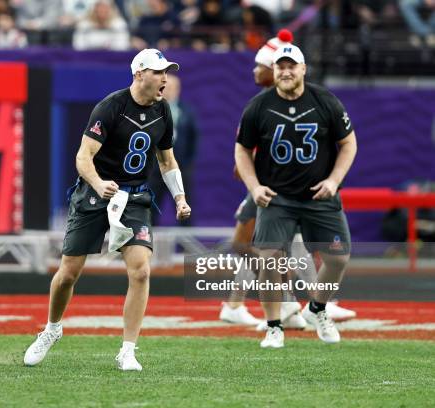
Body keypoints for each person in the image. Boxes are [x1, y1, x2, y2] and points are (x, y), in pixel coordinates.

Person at [24, 49, 190, 371]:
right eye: (158, 72)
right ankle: (52, 328)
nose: (165, 78)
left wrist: (180, 197)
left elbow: (166, 160)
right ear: (139, 73)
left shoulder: (164, 110)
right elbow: (83, 157)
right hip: (95, 195)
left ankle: (128, 349)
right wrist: (99, 184)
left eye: (166, 72)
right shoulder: (110, 107)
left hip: (135, 198)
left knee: (141, 270)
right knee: (68, 273)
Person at [220, 30, 357, 327]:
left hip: (292, 188)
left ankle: (296, 303)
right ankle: (287, 303)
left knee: (276, 246)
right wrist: (254, 182)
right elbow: (241, 154)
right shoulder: (260, 104)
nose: (256, 71)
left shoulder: (315, 100)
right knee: (258, 246)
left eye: (261, 66)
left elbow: (347, 142)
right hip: (270, 187)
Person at [150, 73, 199, 226]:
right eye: (165, 87)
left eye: (173, 87)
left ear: (178, 89)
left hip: (181, 168)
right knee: (151, 208)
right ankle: (146, 246)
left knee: (185, 209)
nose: (169, 91)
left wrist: (187, 162)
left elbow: (194, 138)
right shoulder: (150, 110)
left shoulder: (187, 111)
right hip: (155, 170)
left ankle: (187, 248)